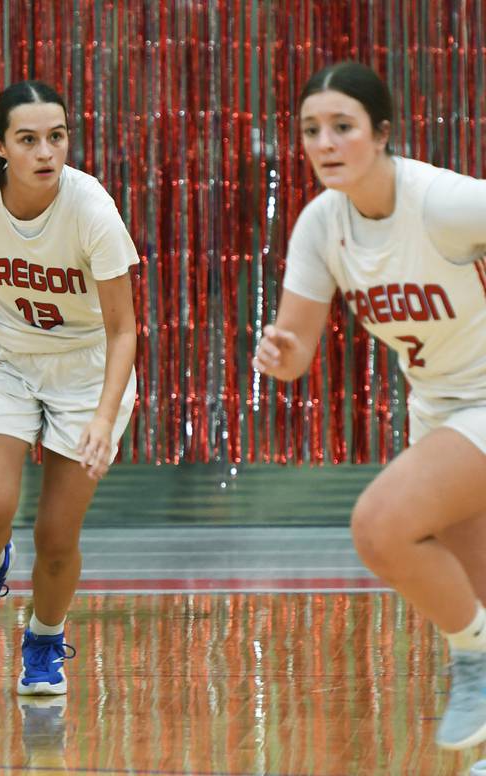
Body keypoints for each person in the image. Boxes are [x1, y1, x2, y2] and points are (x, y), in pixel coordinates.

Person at [253, 61, 486, 750]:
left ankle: (472, 658)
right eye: (310, 130)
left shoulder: (441, 204)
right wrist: (278, 353)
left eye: (343, 128)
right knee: (475, 590)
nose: (325, 143)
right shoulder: (322, 225)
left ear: (381, 134)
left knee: (381, 527)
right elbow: (295, 351)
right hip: (440, 410)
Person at [0, 80, 138, 695]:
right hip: (5, 357)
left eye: (57, 136)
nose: (47, 151)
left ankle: (44, 639)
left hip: (87, 371)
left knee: (56, 538)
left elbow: (124, 330)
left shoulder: (91, 207)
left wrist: (103, 416)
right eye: (29, 139)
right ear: (2, 147)